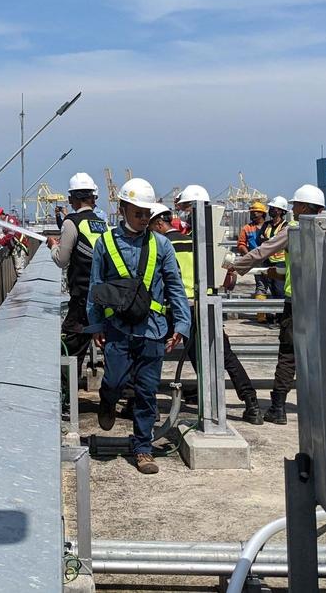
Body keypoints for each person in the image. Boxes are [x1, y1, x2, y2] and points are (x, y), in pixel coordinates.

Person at [86, 178, 192, 474]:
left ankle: (142, 448)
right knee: (117, 379)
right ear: (123, 209)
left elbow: (175, 287)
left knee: (146, 391)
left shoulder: (162, 245)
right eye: (138, 213)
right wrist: (96, 325)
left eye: (148, 214)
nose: (144, 219)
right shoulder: (105, 244)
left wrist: (181, 324)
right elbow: (95, 286)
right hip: (118, 328)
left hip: (153, 330)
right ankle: (108, 399)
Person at [150, 203, 262, 424]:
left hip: (173, 308)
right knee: (225, 356)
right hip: (204, 306)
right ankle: (252, 404)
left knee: (152, 355)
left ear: (158, 224)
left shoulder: (160, 246)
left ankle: (150, 407)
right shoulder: (198, 245)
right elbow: (228, 279)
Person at [225, 184, 326, 425]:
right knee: (324, 355)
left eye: (295, 205)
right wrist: (276, 273)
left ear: (302, 207)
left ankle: (278, 407)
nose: (292, 209)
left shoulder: (293, 230)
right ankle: (323, 405)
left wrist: (236, 266)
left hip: (297, 302)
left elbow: (262, 251)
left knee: (289, 354)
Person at [49, 173, 107, 359]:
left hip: (82, 296)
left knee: (71, 348)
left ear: (72, 198)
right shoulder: (101, 223)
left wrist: (53, 246)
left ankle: (67, 386)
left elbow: (62, 260)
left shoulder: (71, 222)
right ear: (92, 197)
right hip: (104, 294)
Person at [256, 197, 290, 302]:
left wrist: (267, 240)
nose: (271, 210)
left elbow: (281, 242)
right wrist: (271, 241)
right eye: (271, 207)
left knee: (279, 290)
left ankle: (281, 316)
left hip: (281, 263)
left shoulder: (286, 226)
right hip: (266, 261)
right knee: (265, 288)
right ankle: (270, 316)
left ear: (281, 211)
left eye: (274, 208)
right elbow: (259, 240)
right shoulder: (266, 224)